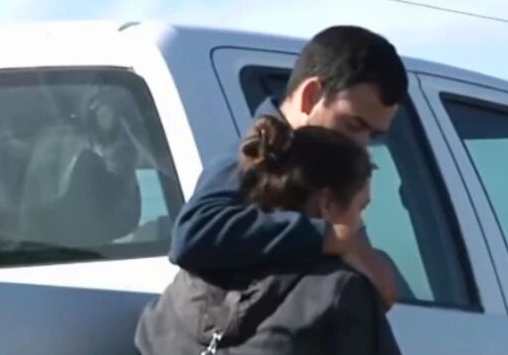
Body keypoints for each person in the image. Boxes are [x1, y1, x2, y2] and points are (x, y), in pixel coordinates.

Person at [136, 115, 425, 355]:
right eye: (360, 208)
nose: (360, 225)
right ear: (327, 204)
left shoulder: (165, 310)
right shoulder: (338, 293)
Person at [169, 25, 409, 308]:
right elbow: (194, 235)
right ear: (311, 96)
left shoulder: (329, 167)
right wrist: (326, 237)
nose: (361, 144)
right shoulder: (252, 158)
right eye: (353, 124)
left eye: (373, 135)